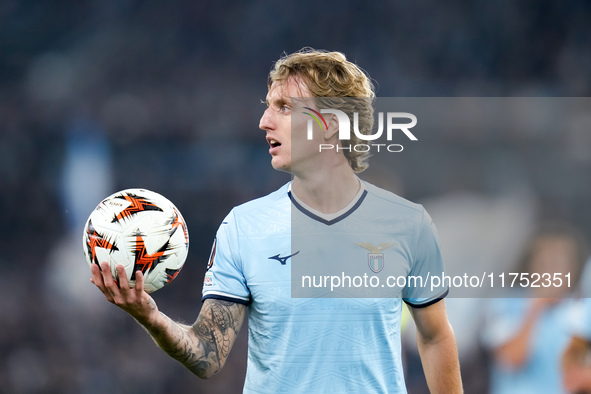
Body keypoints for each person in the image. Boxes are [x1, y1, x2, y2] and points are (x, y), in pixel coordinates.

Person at [90, 48, 462, 393]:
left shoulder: (408, 224)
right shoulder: (244, 226)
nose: (263, 121)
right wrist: (152, 318)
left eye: (284, 107)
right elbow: (208, 353)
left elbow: (434, 337)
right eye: (268, 106)